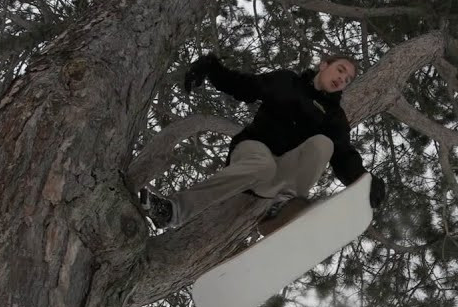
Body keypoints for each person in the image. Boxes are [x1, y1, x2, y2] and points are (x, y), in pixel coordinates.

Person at [139, 52, 386, 233]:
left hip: (280, 177)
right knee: (262, 164)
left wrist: (365, 181)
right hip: (252, 150)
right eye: (340, 70)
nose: (342, 79)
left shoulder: (334, 117)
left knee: (325, 144)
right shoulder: (287, 82)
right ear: (324, 65)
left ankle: (282, 208)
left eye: (348, 79)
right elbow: (247, 86)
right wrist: (211, 68)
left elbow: (344, 155)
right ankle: (172, 211)